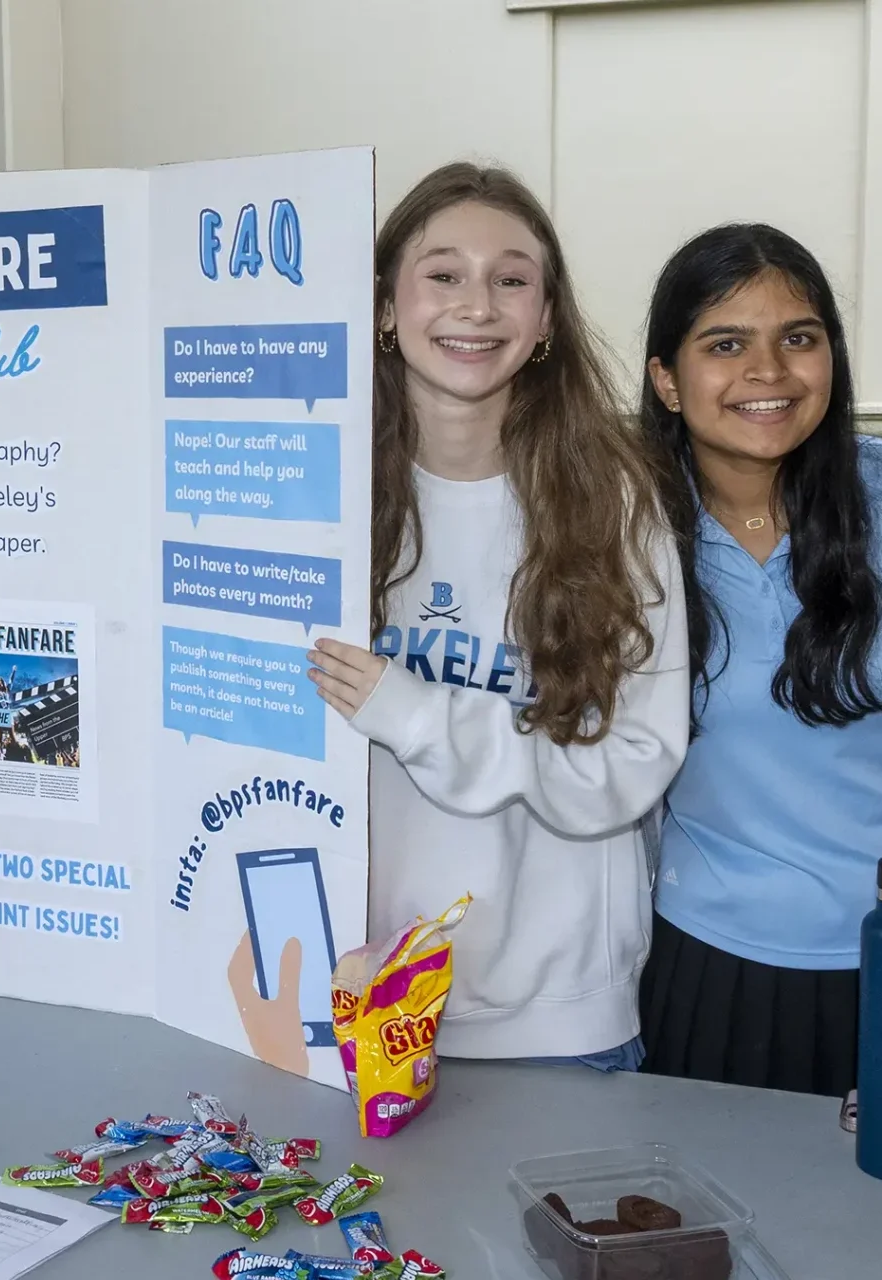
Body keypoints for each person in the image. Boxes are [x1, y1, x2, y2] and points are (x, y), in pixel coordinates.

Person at [632, 224, 882, 1115]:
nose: (768, 371)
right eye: (725, 344)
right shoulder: (622, 537)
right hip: (722, 965)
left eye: (799, 337)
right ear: (666, 379)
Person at [299, 161, 688, 1068]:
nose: (476, 306)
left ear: (546, 319)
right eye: (443, 274)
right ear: (385, 305)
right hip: (348, 1006)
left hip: (558, 1020)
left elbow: (634, 763)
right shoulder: (311, 496)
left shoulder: (613, 504)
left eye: (511, 280)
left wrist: (417, 715)